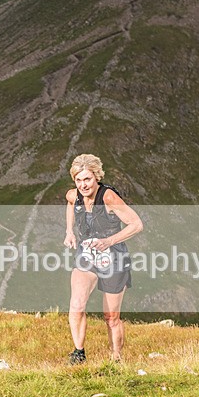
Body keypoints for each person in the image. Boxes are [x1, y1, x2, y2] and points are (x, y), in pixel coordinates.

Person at [64, 154, 143, 365]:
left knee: (111, 317)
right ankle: (78, 354)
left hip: (114, 257)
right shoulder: (74, 195)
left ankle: (116, 359)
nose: (83, 185)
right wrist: (69, 231)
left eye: (87, 179)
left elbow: (136, 224)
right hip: (87, 255)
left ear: (96, 177)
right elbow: (70, 203)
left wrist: (109, 241)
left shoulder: (108, 197)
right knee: (76, 304)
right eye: (78, 180)